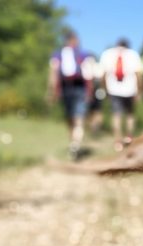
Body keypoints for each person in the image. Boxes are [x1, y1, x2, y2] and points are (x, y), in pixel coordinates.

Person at [48, 31, 96, 160]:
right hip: (80, 88)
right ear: (74, 40)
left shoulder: (58, 54)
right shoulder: (83, 54)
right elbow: (89, 74)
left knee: (70, 118)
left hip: (65, 88)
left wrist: (52, 92)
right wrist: (90, 91)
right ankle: (75, 143)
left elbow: (53, 73)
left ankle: (73, 143)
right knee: (78, 118)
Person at [100, 38, 143, 151]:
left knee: (116, 115)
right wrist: (139, 91)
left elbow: (103, 75)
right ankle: (129, 138)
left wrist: (105, 89)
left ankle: (117, 142)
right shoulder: (133, 54)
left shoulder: (107, 54)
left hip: (113, 89)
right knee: (130, 114)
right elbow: (138, 75)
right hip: (130, 89)